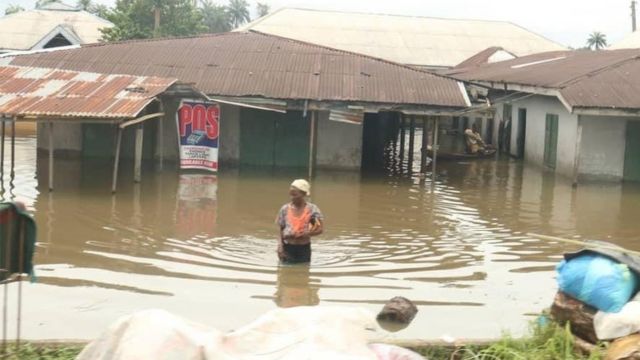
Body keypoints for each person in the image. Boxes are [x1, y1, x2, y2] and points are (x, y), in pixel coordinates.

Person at [276, 179, 323, 264]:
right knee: (285, 273)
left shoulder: (311, 210)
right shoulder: (285, 209)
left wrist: (307, 234)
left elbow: (319, 229)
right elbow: (281, 230)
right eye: (291, 194)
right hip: (287, 247)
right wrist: (280, 247)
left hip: (304, 249)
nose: (292, 197)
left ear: (304, 194)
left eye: (295, 195)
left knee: (303, 272)